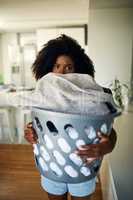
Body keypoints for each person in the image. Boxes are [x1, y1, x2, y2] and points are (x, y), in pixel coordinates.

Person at [24, 34, 117, 200]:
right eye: (56, 66)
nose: (60, 73)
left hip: (82, 166)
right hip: (51, 165)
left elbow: (109, 130)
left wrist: (107, 146)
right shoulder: (43, 97)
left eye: (68, 67)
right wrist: (31, 132)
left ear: (79, 71)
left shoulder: (89, 99)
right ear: (47, 69)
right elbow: (39, 127)